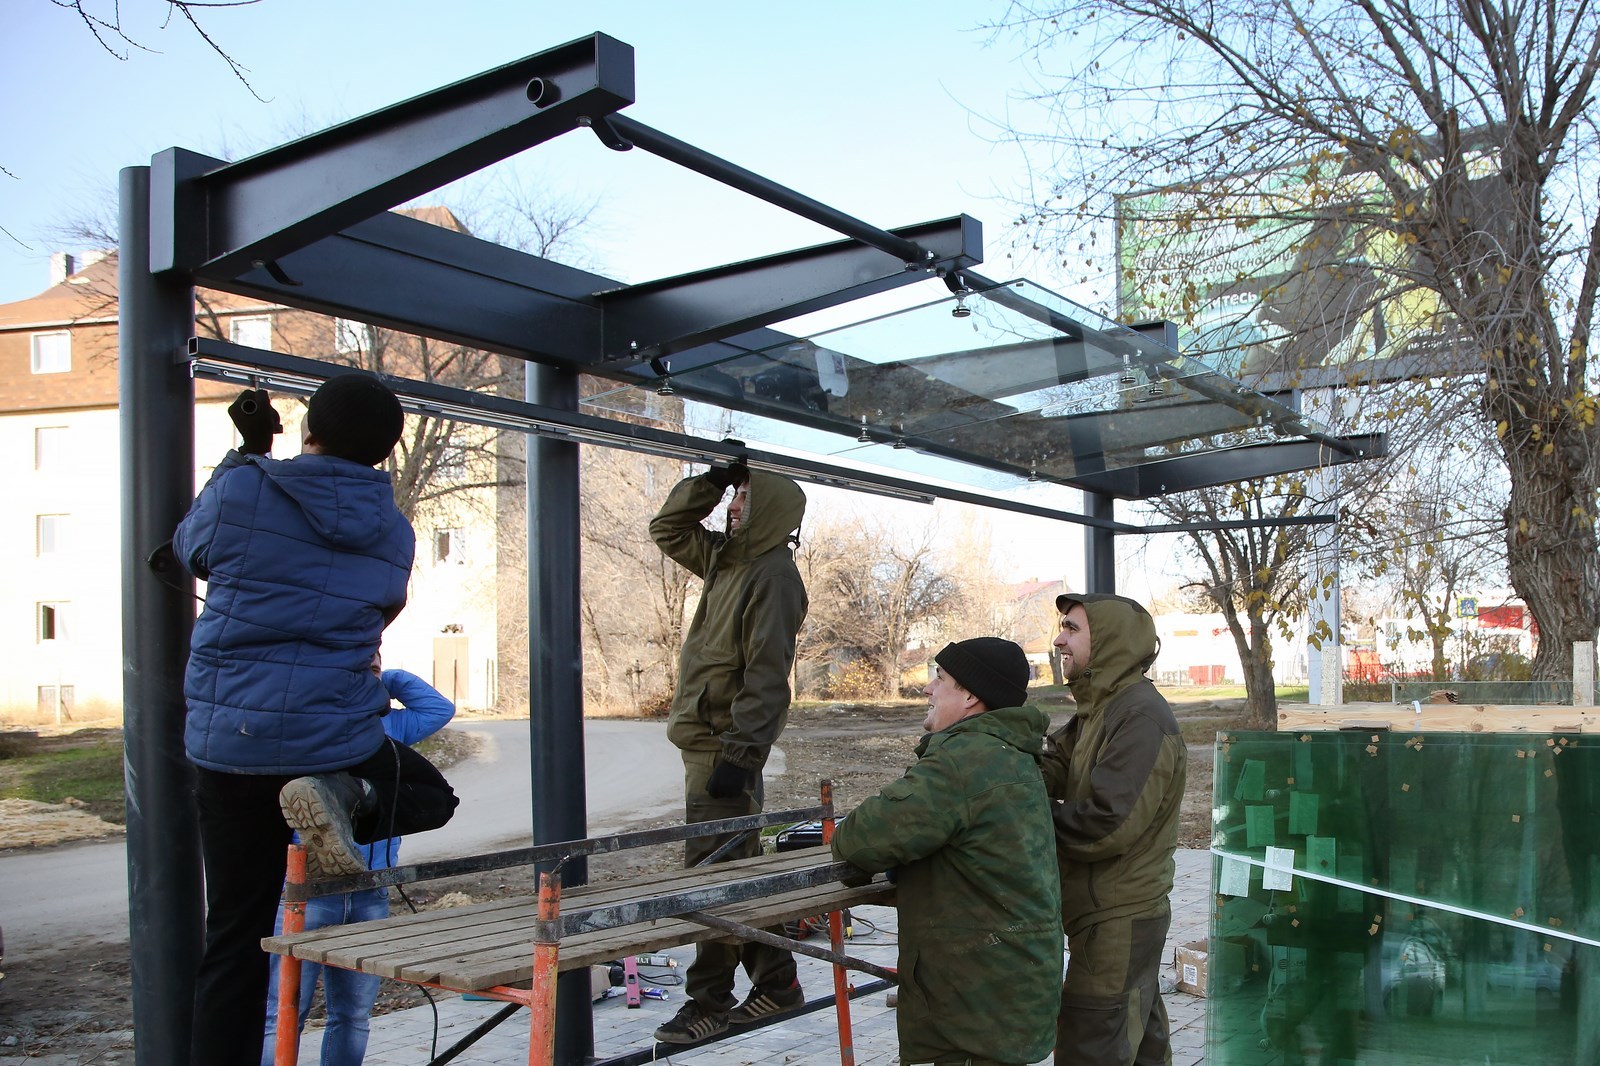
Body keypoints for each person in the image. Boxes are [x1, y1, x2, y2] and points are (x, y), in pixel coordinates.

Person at [174, 375, 459, 1066]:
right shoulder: (393, 530)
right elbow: (382, 606)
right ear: (388, 451)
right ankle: (344, 798)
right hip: (332, 739)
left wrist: (246, 451)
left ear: (310, 428)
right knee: (430, 795)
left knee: (235, 935)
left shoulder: (247, 487)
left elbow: (192, 549)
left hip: (229, 747)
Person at [830, 637, 1063, 1066]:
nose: (928, 690)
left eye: (940, 679)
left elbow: (859, 840)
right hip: (1005, 982)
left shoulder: (963, 761)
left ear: (972, 696)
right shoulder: (1011, 751)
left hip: (976, 998)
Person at [646, 459, 810, 1045]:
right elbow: (668, 530)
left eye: (743, 497)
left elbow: (769, 674)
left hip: (724, 749)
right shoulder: (726, 560)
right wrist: (709, 483)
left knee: (711, 875)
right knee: (731, 870)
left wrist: (740, 756)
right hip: (703, 740)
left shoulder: (774, 576)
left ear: (767, 511)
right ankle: (778, 983)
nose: (734, 506)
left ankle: (708, 1001)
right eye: (733, 497)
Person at [261, 655, 455, 1066]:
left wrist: (389, 677)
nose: (364, 678)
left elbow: (440, 709)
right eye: (356, 671)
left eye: (373, 669)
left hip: (371, 891)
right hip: (308, 894)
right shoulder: (309, 726)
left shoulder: (391, 730)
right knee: (283, 1014)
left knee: (353, 1015)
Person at [1043, 593, 1187, 1066]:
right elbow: (1048, 768)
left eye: (1072, 629)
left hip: (1119, 917)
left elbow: (1107, 825)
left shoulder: (1138, 716)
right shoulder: (1099, 707)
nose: (1060, 639)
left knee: (1093, 1045)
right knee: (1140, 1046)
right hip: (1109, 913)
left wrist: (1027, 819)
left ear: (1107, 642)